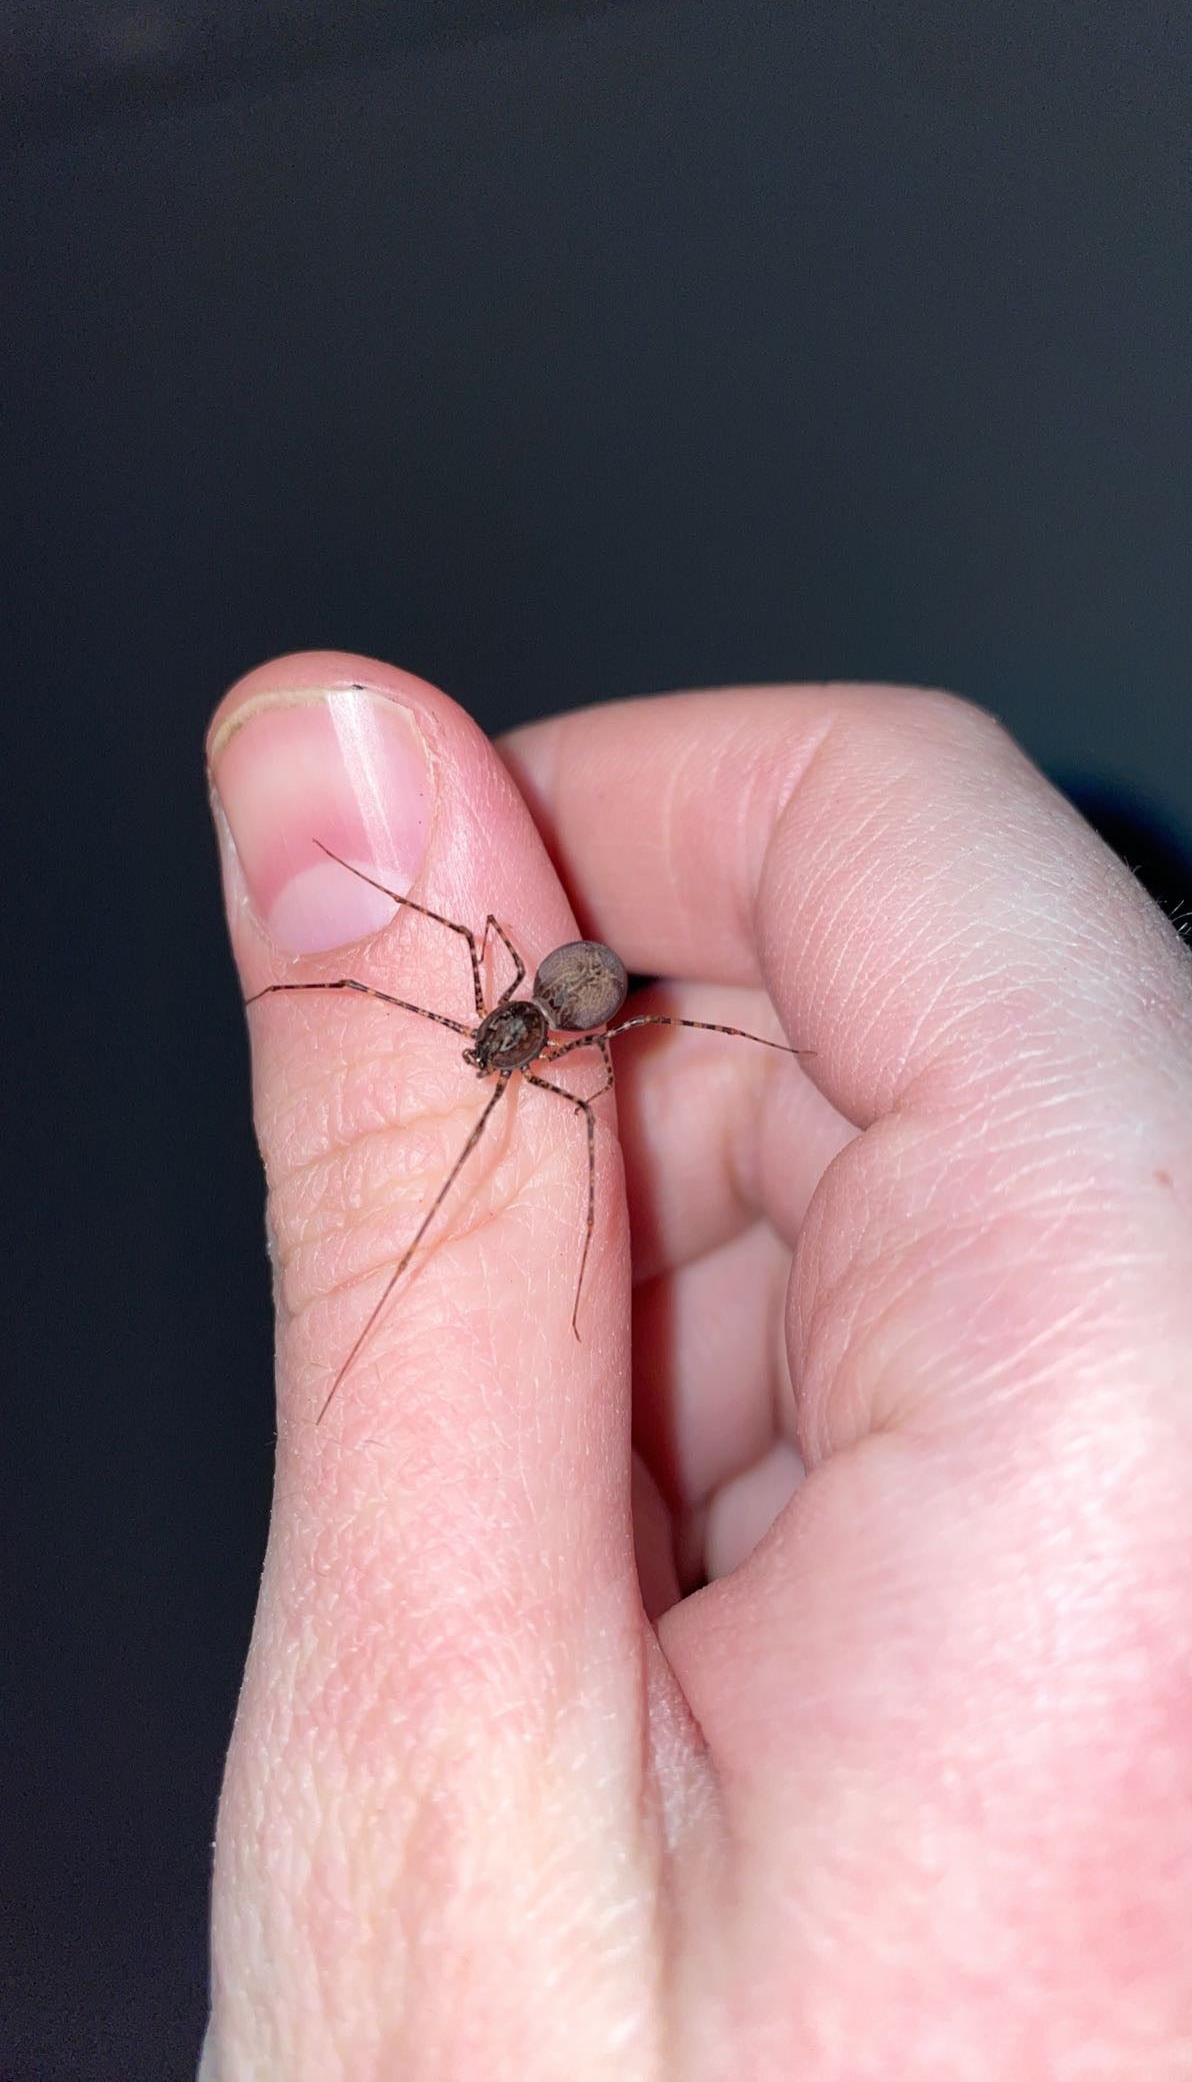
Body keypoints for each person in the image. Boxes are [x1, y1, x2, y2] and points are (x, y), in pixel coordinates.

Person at [202, 653, 1192, 2078]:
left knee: (615, 1082)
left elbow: (550, 999)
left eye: (502, 1051)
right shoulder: (502, 1041)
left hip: (586, 988)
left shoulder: (567, 1047)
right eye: (499, 1049)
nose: (493, 1060)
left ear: (526, 1044)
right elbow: (470, 958)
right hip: (560, 986)